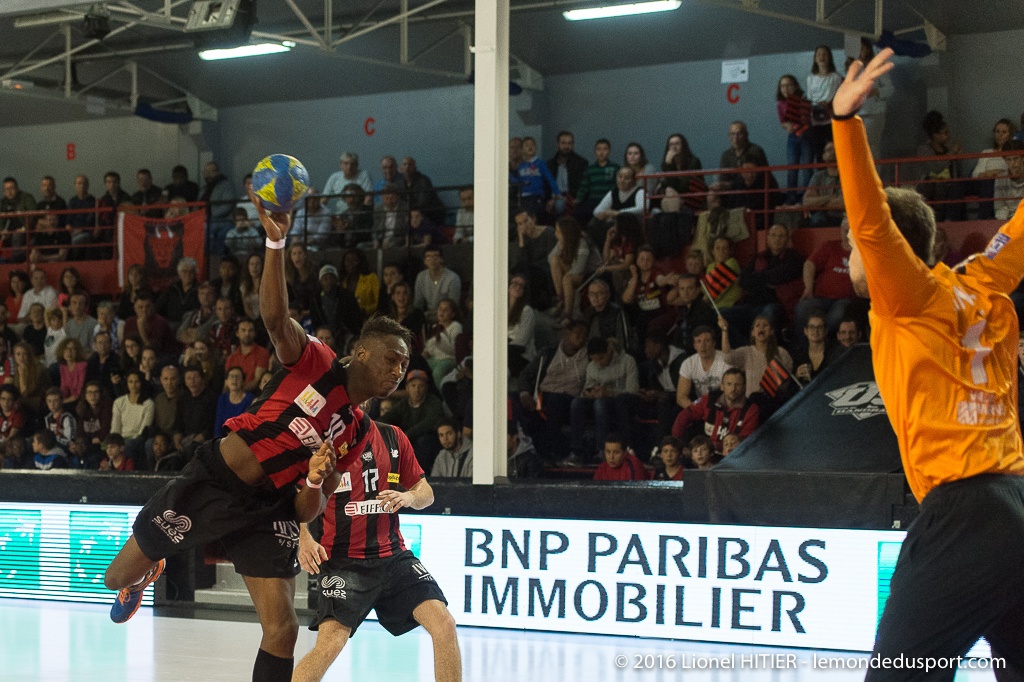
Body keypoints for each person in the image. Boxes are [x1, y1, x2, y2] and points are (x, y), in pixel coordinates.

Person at [102, 193, 414, 682]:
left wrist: (316, 479)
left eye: (405, 365)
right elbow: (274, 318)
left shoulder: (355, 433)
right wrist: (275, 242)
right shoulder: (316, 360)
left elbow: (307, 511)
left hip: (269, 509)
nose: (399, 371)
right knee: (115, 576)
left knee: (283, 629)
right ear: (362, 353)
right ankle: (144, 575)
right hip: (216, 480)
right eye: (392, 359)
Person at [832, 48, 1024, 678]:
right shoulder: (981, 284)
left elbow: (871, 220)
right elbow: (1020, 231)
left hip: (963, 518)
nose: (848, 258)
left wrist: (845, 124)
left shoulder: (904, 296)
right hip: (1018, 504)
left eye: (851, 249)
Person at [292, 419, 459, 682]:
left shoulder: (393, 436)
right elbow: (297, 497)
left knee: (445, 625)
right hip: (344, 561)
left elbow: (426, 492)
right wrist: (304, 538)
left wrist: (410, 497)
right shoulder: (325, 444)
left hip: (394, 557)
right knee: (330, 643)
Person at [671, 368, 759, 453]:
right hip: (705, 454)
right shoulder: (709, 399)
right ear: (722, 386)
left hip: (732, 456)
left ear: (744, 387)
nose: (733, 389)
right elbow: (684, 416)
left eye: (738, 385)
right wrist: (678, 445)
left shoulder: (751, 410)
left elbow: (745, 441)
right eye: (729, 384)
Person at [776, 74, 813, 203]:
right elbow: (782, 122)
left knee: (807, 167)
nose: (786, 89)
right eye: (782, 86)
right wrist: (787, 126)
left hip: (806, 134)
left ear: (795, 86)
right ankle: (791, 196)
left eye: (789, 85)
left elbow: (808, 117)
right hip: (792, 136)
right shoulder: (780, 104)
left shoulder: (802, 99)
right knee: (792, 167)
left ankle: (806, 196)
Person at [806, 45, 843, 163]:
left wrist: (828, 104)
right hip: (816, 120)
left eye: (825, 54)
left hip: (831, 119)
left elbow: (840, 97)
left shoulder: (836, 77)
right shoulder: (810, 78)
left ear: (829, 57)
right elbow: (810, 98)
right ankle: (821, 173)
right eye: (819, 54)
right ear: (815, 59)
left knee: (835, 151)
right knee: (819, 151)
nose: (822, 57)